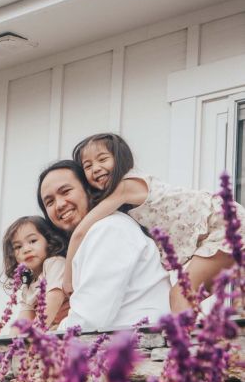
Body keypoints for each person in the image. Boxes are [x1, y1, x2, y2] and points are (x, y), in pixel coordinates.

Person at [64, 132, 245, 312]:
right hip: (223, 227)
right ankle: (203, 339)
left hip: (225, 224)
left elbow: (80, 232)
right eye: (87, 166)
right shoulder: (126, 200)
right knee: (191, 300)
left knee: (180, 295)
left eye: (102, 159)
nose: (95, 168)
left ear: (120, 159)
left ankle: (181, 341)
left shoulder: (125, 187)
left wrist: (68, 278)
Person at [37, 160, 170, 331]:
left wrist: (47, 336)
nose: (60, 204)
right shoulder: (96, 233)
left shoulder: (108, 229)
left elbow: (88, 319)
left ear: (89, 190)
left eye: (66, 191)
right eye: (49, 202)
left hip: (140, 348)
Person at [1, 216, 70, 328]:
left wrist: (34, 336)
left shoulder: (54, 263)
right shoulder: (29, 283)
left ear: (48, 241)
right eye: (18, 247)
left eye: (32, 241)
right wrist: (11, 343)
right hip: (49, 332)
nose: (26, 249)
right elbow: (24, 318)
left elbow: (54, 299)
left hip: (68, 329)